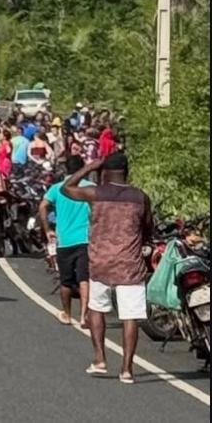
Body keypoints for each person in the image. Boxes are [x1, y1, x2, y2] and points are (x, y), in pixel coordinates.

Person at [62, 153, 153, 385]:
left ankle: (100, 359)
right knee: (130, 316)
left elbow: (66, 188)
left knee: (97, 309)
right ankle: (127, 369)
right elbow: (147, 229)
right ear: (127, 171)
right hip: (130, 264)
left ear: (103, 172)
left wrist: (89, 167)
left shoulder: (96, 193)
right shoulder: (140, 197)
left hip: (100, 261)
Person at [41, 155, 93, 326]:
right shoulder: (91, 188)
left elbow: (43, 206)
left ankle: (67, 313)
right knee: (84, 278)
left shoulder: (57, 188)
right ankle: (84, 315)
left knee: (66, 280)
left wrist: (47, 229)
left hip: (64, 240)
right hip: (85, 238)